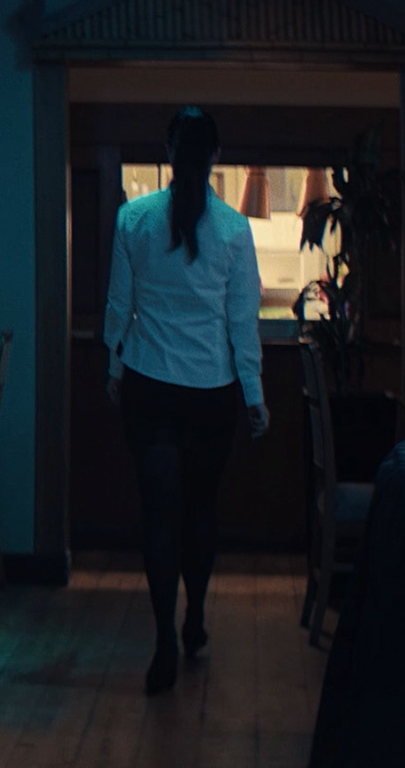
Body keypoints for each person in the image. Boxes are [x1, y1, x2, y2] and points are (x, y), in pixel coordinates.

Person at [102, 106, 269, 696]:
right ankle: (194, 617)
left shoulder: (133, 218)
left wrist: (114, 366)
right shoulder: (234, 229)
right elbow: (241, 320)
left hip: (149, 385)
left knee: (159, 515)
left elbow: (119, 306)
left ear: (169, 152)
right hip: (211, 391)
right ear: (216, 157)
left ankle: (162, 643)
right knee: (201, 510)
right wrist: (254, 394)